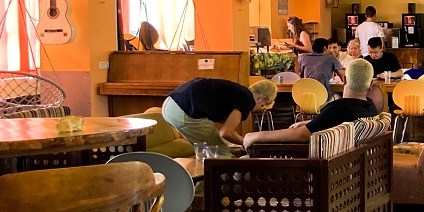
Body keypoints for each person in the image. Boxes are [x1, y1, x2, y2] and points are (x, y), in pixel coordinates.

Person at [243, 59, 378, 150]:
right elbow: (328, 123)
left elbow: (301, 135)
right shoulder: (371, 108)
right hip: (347, 169)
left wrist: (256, 136)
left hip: (313, 173)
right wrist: (311, 123)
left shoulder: (338, 108)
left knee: (244, 163)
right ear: (371, 84)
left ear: (345, 79)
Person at [162, 77, 276, 152]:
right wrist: (245, 142)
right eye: (262, 105)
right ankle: (221, 188)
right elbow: (226, 132)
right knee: (219, 151)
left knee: (203, 150)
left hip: (169, 105)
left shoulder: (237, 91)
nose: (257, 109)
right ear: (261, 98)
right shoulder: (248, 99)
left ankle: (201, 187)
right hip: (183, 110)